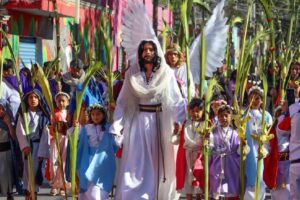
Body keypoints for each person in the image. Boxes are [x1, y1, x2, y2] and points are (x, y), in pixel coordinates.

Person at [110, 40, 186, 199]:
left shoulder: (166, 73)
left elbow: (176, 100)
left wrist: (179, 121)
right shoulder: (132, 73)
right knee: (136, 161)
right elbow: (123, 102)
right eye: (144, 50)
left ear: (156, 52)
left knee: (157, 162)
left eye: (151, 49)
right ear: (140, 53)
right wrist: (117, 127)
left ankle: (154, 195)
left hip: (160, 123)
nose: (148, 52)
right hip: (138, 123)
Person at [77, 104, 118, 200]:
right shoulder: (86, 128)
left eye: (98, 114)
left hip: (103, 162)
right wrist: (75, 127)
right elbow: (76, 138)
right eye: (93, 114)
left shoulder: (109, 128)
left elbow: (115, 143)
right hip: (89, 161)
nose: (95, 117)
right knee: (89, 186)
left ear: (103, 115)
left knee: (100, 186)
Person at [15, 89, 51, 199]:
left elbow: (45, 134)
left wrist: (42, 152)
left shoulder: (44, 116)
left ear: (40, 100)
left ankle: (34, 193)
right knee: (27, 170)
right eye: (31, 97)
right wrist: (25, 146)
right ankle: (27, 192)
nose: (33, 100)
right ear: (27, 100)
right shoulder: (23, 114)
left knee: (36, 171)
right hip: (27, 147)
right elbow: (19, 130)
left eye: (36, 97)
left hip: (39, 146)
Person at [172, 98, 204, 200]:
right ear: (189, 111)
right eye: (193, 111)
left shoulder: (206, 124)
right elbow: (176, 141)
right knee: (188, 185)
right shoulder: (185, 124)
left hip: (199, 157)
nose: (195, 113)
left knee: (199, 184)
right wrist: (176, 132)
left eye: (198, 111)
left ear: (203, 111)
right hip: (186, 158)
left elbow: (209, 141)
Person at [244, 84, 273, 200]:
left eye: (257, 98)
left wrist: (266, 149)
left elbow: (270, 134)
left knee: (260, 179)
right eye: (252, 97)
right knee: (249, 179)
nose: (254, 101)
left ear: (262, 100)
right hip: (248, 151)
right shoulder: (244, 115)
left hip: (262, 150)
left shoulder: (266, 116)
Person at [209, 104, 240, 199]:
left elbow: (239, 150)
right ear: (217, 117)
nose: (224, 118)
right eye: (221, 116)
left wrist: (243, 144)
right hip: (218, 163)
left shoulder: (236, 132)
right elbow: (210, 148)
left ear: (231, 117)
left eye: (226, 115)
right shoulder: (213, 132)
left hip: (231, 164)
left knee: (229, 188)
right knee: (217, 187)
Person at [48, 92, 70, 196]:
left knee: (64, 161)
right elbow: (50, 126)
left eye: (63, 101)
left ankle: (62, 185)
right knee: (54, 160)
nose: (61, 103)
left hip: (66, 138)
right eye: (59, 101)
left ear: (68, 102)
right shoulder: (53, 113)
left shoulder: (69, 113)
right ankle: (54, 185)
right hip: (55, 138)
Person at [0, 100, 15, 200]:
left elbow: (14, 137)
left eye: (2, 109)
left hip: (7, 151)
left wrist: (8, 124)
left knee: (8, 174)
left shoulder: (8, 119)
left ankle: (10, 194)